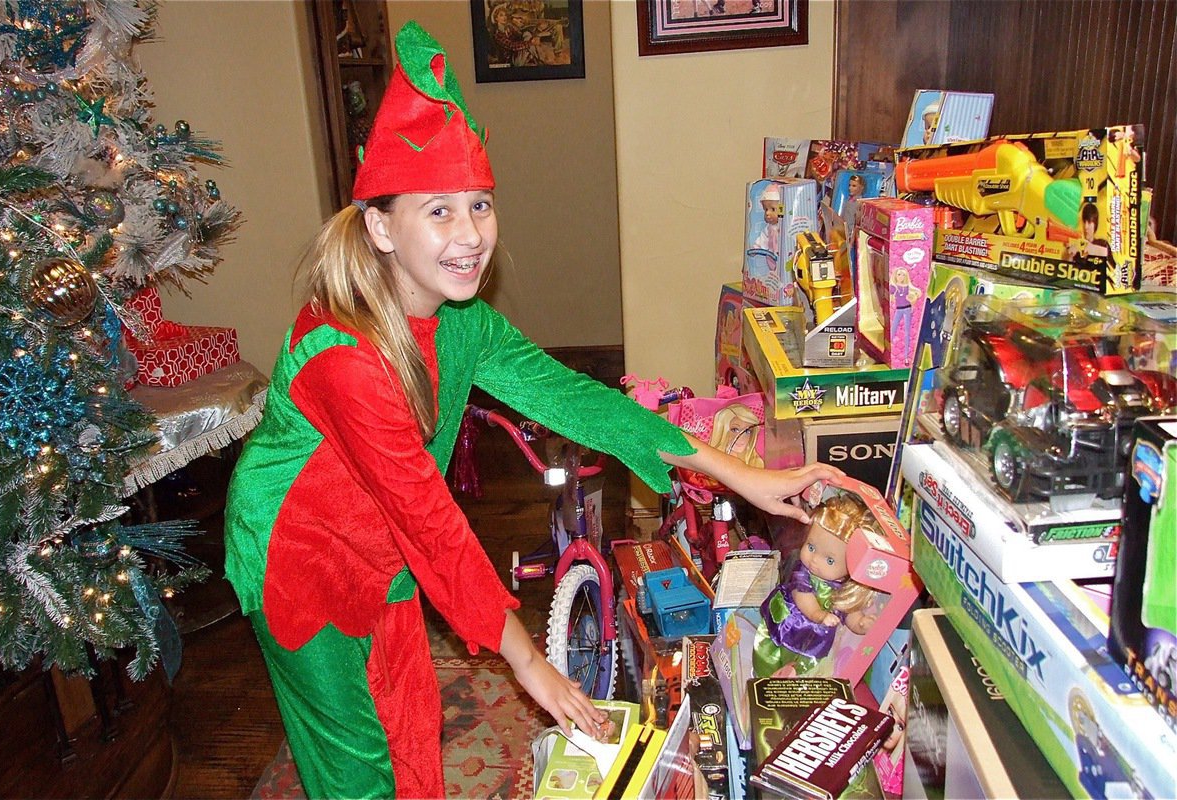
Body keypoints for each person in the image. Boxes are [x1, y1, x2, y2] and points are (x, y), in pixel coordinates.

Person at [223, 21, 843, 800]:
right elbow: (429, 518)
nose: (471, 235)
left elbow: (576, 399)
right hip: (300, 553)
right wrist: (527, 659)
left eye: (480, 206)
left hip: (386, 543)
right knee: (350, 760)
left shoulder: (462, 324)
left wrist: (740, 475)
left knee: (409, 724)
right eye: (438, 211)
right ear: (380, 226)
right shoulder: (342, 356)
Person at [753, 491, 879, 678]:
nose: (814, 560)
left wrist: (861, 623)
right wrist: (818, 615)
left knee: (804, 673)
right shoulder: (803, 572)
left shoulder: (844, 589)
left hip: (813, 641)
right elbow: (802, 595)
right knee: (766, 655)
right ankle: (759, 681)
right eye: (811, 547)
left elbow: (849, 612)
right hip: (787, 623)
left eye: (830, 560)